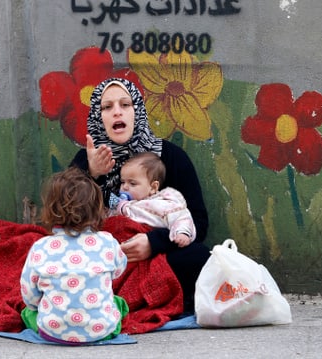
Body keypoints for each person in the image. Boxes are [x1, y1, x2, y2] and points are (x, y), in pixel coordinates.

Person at [70, 77, 211, 314]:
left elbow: (198, 223)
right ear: (98, 116)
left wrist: (154, 243)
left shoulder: (170, 157)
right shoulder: (86, 159)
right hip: (105, 257)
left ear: (137, 111)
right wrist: (91, 175)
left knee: (198, 256)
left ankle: (117, 298)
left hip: (156, 256)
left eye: (125, 105)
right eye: (107, 107)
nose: (117, 112)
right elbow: (65, 220)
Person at [19, 167, 129, 345]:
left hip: (52, 331)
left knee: (27, 312)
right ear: (97, 210)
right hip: (101, 331)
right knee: (119, 303)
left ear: (49, 210)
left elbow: (30, 296)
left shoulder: (40, 247)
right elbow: (118, 271)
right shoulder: (108, 242)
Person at [108, 152, 196, 248]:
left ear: (153, 187)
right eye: (122, 182)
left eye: (132, 183)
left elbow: (181, 217)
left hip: (145, 245)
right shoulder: (122, 203)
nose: (124, 187)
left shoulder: (163, 204)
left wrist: (182, 233)